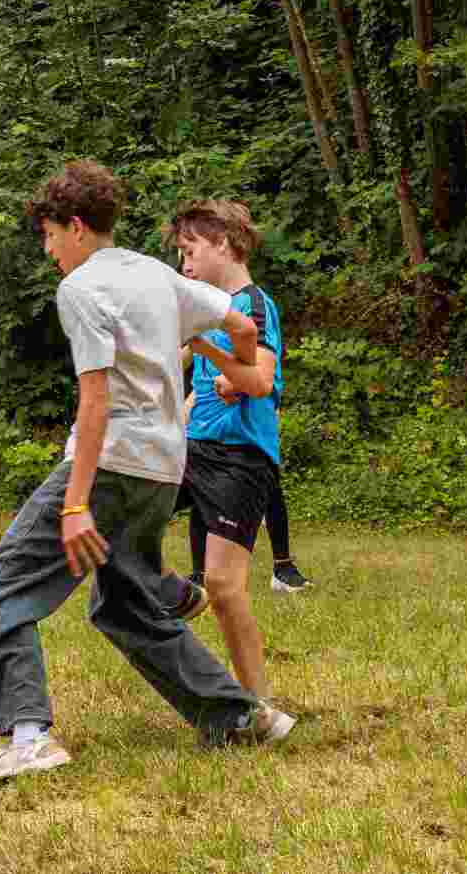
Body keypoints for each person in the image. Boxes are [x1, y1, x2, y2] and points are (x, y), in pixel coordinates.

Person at [0, 160, 290, 789]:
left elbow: (95, 399)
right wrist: (232, 364)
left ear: (79, 227)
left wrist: (75, 502)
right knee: (126, 605)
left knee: (2, 582)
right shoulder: (155, 274)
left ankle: (28, 737)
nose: (48, 248)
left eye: (51, 234)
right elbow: (243, 326)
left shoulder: (82, 290)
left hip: (111, 465)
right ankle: (239, 715)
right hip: (163, 471)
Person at [169, 201, 287, 709]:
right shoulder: (210, 306)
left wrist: (223, 370)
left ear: (223, 242)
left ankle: (258, 702)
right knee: (116, 515)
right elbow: (182, 363)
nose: (184, 266)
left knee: (223, 585)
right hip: (194, 449)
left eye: (190, 251)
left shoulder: (255, 306)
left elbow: (259, 380)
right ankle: (172, 593)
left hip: (242, 458)